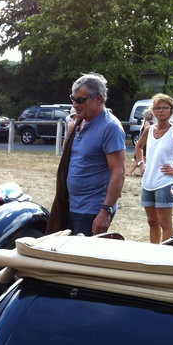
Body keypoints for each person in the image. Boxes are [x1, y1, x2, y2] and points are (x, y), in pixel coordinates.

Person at [47, 73, 126, 236]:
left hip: (92, 210)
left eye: (80, 100)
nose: (75, 104)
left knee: (79, 258)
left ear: (98, 99)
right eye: (73, 99)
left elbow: (119, 173)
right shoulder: (79, 122)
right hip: (70, 204)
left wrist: (105, 211)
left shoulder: (110, 127)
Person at [134, 94, 173, 243]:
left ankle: (166, 256)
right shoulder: (149, 130)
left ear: (171, 110)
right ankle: (153, 251)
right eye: (157, 108)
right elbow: (138, 147)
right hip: (148, 182)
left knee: (165, 222)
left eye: (165, 108)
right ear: (153, 111)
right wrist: (140, 163)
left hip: (164, 183)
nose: (161, 111)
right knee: (152, 221)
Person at [127, 109, 154, 177]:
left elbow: (145, 133)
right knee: (144, 158)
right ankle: (143, 172)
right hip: (148, 143)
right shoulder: (153, 123)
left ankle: (130, 172)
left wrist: (139, 142)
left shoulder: (146, 123)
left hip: (144, 143)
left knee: (138, 158)